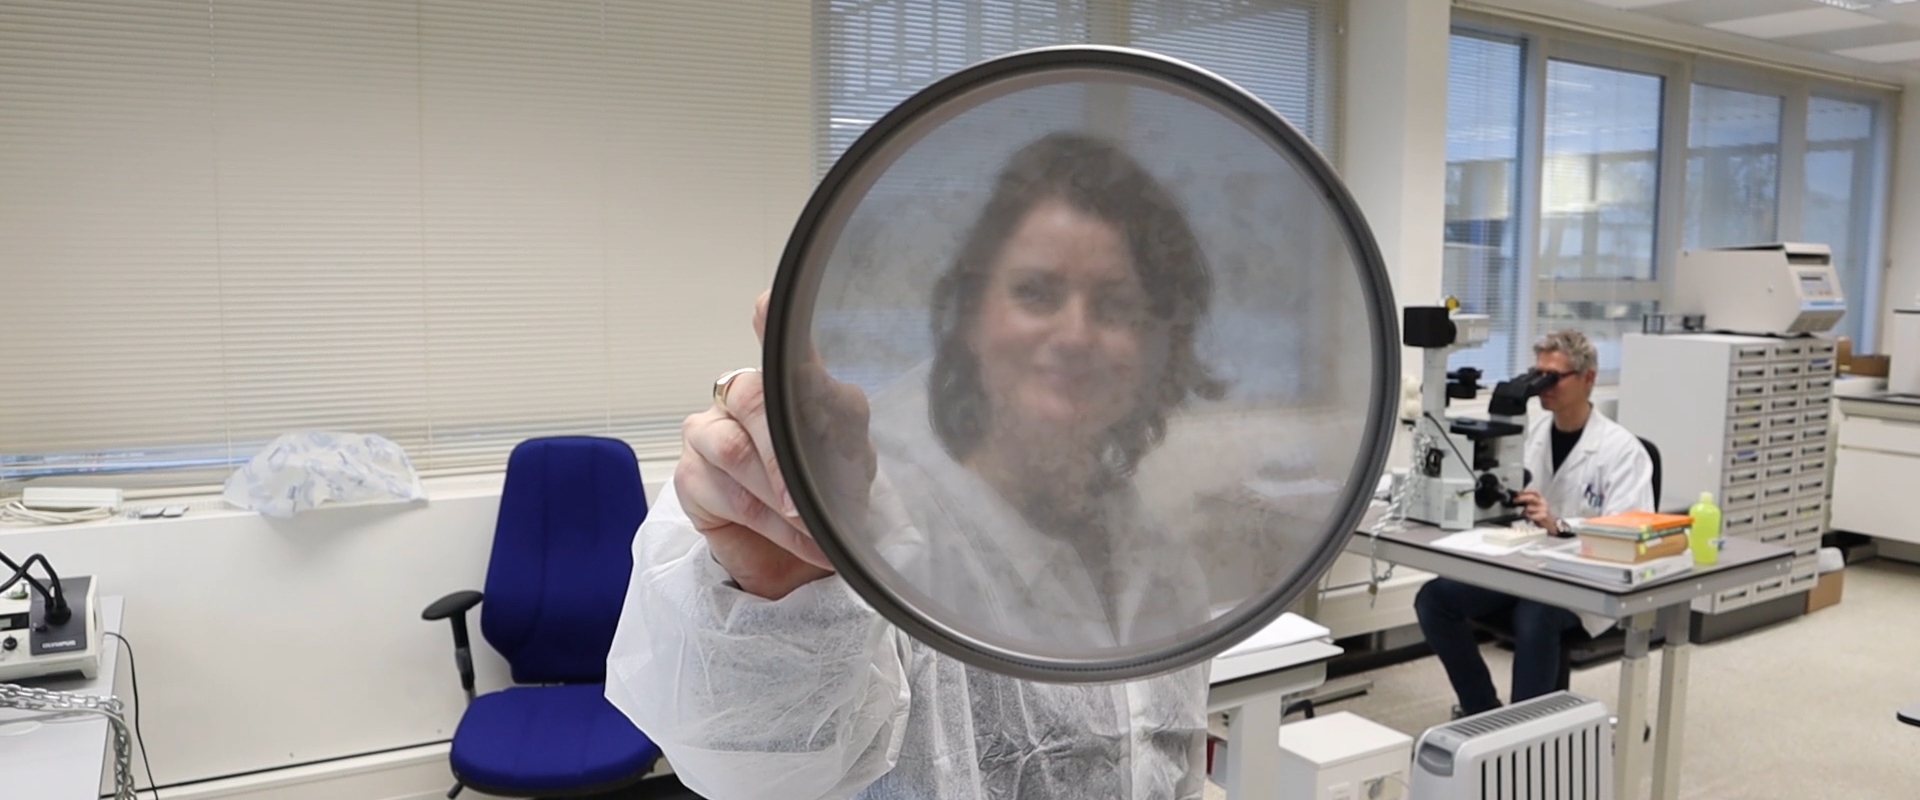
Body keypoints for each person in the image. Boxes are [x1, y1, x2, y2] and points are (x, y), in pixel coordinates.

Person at [605, 133, 1226, 799]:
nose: (1075, 334)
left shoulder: (1157, 557)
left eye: (1115, 304)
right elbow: (750, 768)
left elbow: (1171, 770)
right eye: (1037, 292)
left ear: (1161, 342)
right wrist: (779, 595)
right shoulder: (880, 540)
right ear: (971, 317)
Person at [1413, 330, 1654, 718]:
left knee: (1535, 613)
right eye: (1536, 374)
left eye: (1553, 377)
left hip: (1586, 582)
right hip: (1527, 567)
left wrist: (1561, 525)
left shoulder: (1622, 451)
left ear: (1588, 378)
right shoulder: (1530, 435)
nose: (1542, 386)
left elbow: (1631, 532)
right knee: (1434, 599)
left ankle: (1524, 738)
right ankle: (1482, 711)